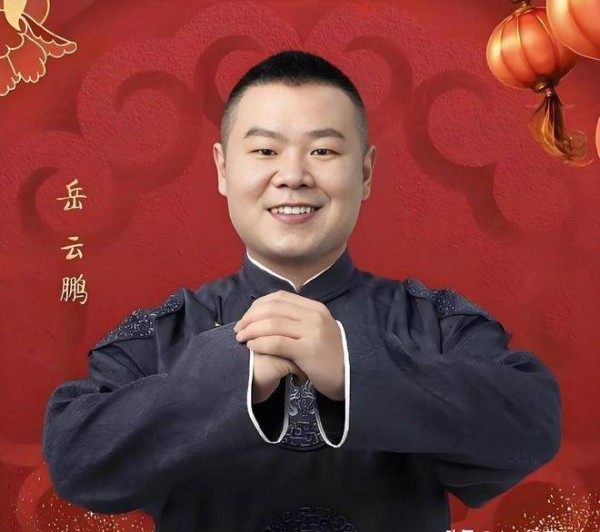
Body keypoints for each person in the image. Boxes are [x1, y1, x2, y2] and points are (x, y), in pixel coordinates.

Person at [41, 49, 562, 531]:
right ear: (223, 168)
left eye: (323, 150)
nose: (292, 175)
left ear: (365, 172)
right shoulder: (164, 331)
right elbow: (75, 458)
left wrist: (353, 369)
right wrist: (234, 374)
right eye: (265, 149)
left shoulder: (434, 321)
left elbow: (532, 422)